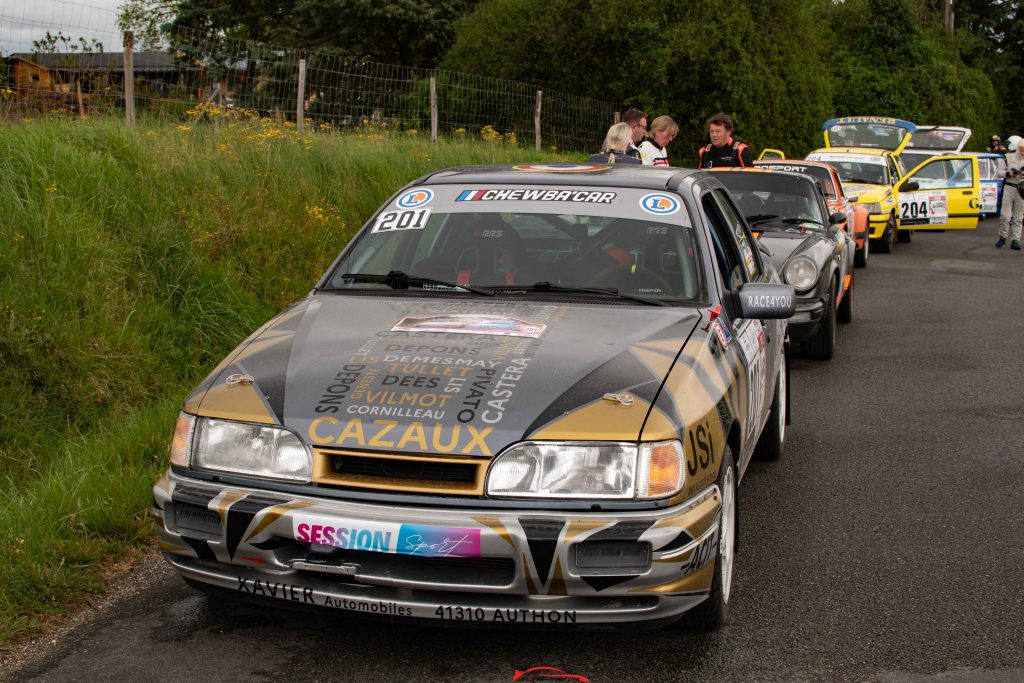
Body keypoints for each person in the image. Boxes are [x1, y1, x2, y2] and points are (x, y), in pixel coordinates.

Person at [996, 135, 1024, 250]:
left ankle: (1015, 240)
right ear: (1018, 147)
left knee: (1018, 217)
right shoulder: (1007, 157)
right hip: (1009, 187)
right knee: (1005, 215)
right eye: (1021, 148)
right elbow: (999, 172)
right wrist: (1009, 174)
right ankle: (1002, 237)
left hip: (1022, 190)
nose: (1023, 151)